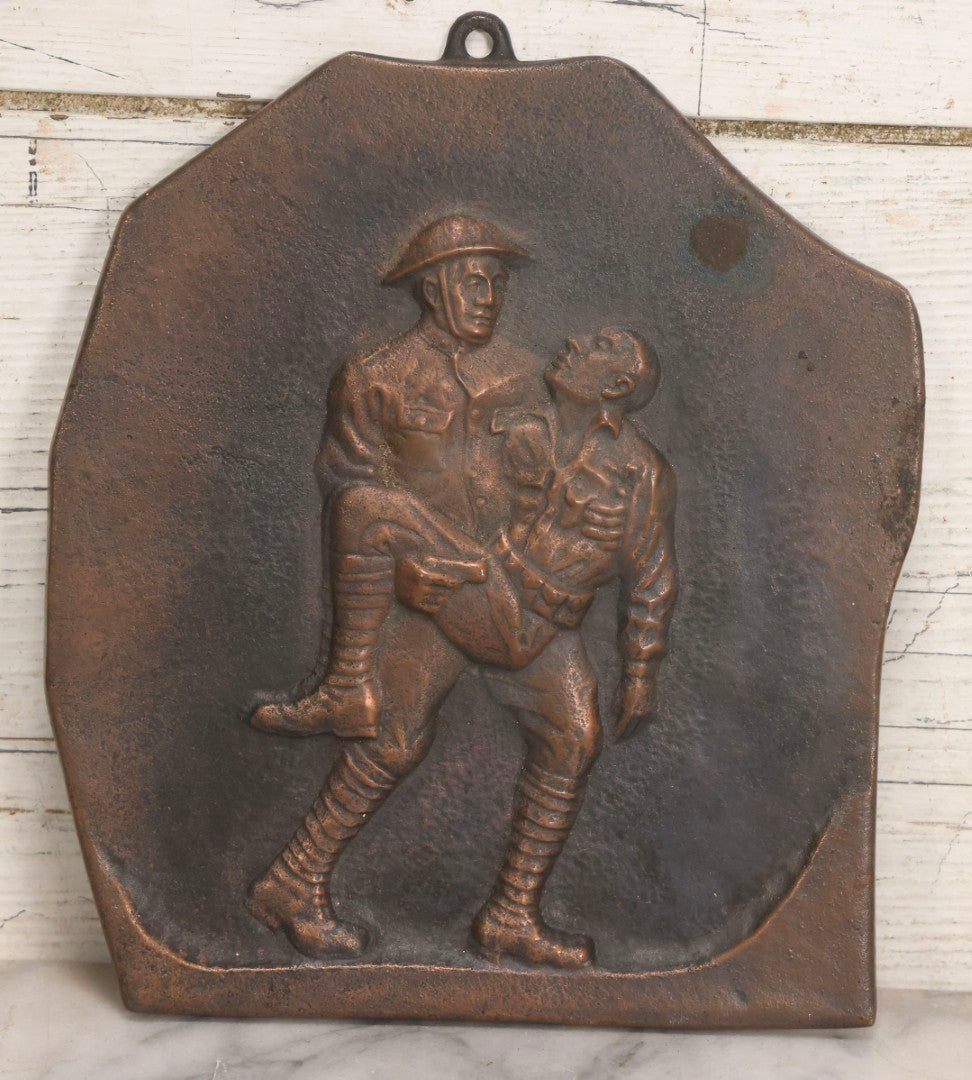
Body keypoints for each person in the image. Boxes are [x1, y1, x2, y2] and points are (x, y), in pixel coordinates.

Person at [246, 217, 676, 970]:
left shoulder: (526, 375)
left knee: (573, 737)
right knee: (391, 741)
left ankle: (511, 916)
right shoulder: (372, 377)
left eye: (500, 282)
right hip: (429, 589)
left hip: (516, 590)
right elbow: (347, 483)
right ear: (433, 284)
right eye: (476, 279)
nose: (491, 295)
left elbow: (542, 485)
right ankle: (294, 878)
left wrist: (632, 653)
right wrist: (401, 575)